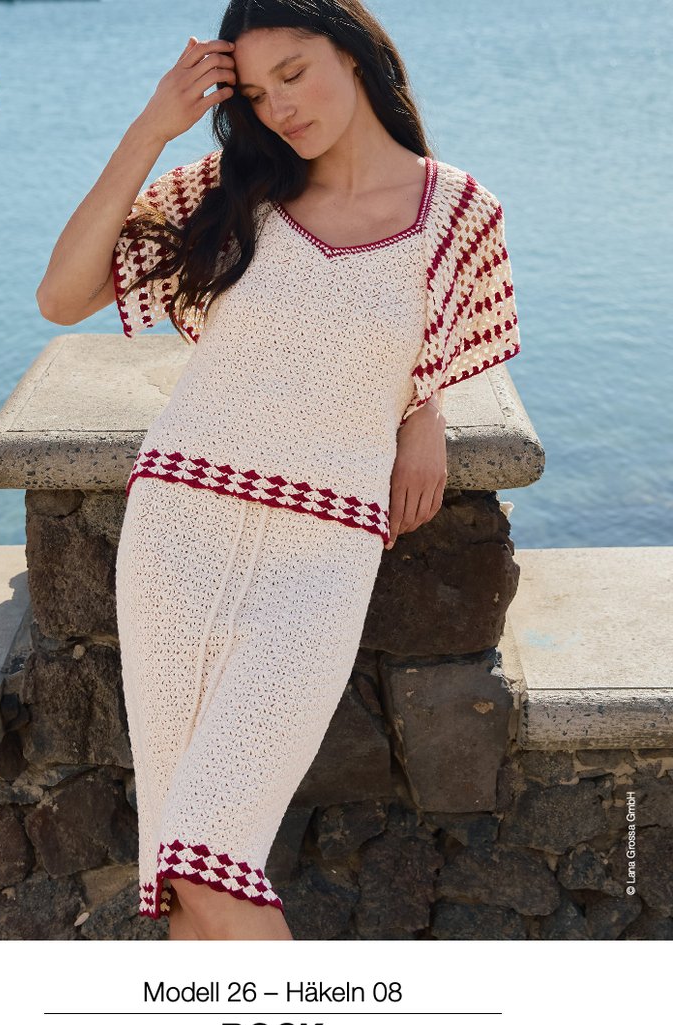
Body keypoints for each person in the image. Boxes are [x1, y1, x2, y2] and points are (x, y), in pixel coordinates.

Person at [35, 0, 520, 942]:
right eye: (256, 94)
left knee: (210, 863)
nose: (280, 108)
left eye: (293, 74)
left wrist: (423, 411)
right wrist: (152, 128)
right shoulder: (236, 192)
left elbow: (417, 343)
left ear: (355, 54)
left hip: (321, 558)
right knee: (186, 880)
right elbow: (62, 296)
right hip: (176, 535)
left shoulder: (462, 216)